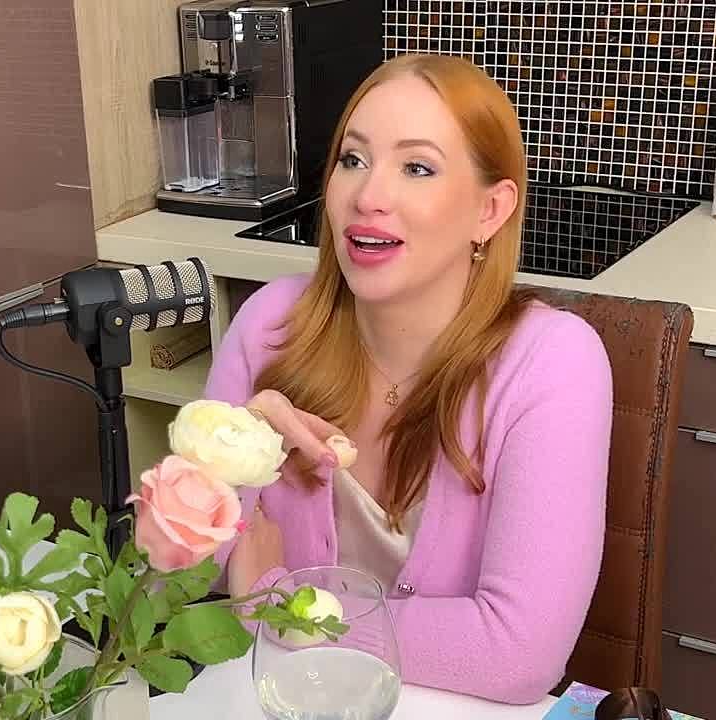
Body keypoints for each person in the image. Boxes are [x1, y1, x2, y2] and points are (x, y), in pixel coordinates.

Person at [204, 54, 614, 705]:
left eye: (417, 167)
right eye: (353, 159)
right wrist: (231, 459)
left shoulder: (554, 362)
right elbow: (171, 583)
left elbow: (519, 654)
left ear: (490, 210)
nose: (368, 196)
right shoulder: (269, 324)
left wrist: (281, 604)